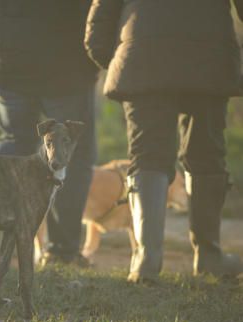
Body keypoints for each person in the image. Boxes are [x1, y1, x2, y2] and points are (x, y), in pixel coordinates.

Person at [85, 0, 243, 282]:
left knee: (148, 155)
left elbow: (99, 21)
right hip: (208, 56)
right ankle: (209, 256)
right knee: (206, 153)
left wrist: (120, 59)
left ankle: (146, 262)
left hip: (144, 55)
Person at [0, 0, 99, 265]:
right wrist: (96, 50)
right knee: (73, 154)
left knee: (15, 138)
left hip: (6, 49)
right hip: (65, 56)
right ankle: (60, 252)